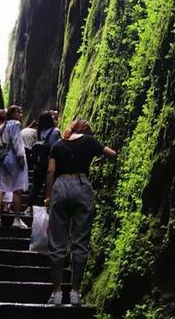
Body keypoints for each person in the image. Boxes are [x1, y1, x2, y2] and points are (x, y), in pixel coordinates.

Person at [45, 119, 116, 306]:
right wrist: (99, 157)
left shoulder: (57, 145)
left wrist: (48, 197)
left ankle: (57, 293)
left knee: (57, 243)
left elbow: (50, 171)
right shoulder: (89, 141)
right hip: (82, 185)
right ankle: (75, 293)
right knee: (80, 242)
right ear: (86, 130)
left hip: (60, 186)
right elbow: (112, 154)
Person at [0, 105, 29, 228]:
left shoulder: (3, 126)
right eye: (18, 112)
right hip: (14, 159)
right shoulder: (15, 124)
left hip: (3, 159)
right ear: (12, 114)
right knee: (17, 189)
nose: (20, 114)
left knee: (1, 188)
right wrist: (21, 157)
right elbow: (17, 141)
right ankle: (16, 219)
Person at [25, 111, 61, 214]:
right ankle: (46, 207)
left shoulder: (39, 131)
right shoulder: (55, 131)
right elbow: (57, 146)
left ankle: (29, 207)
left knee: (36, 185)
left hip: (40, 161)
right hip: (51, 161)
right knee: (50, 184)